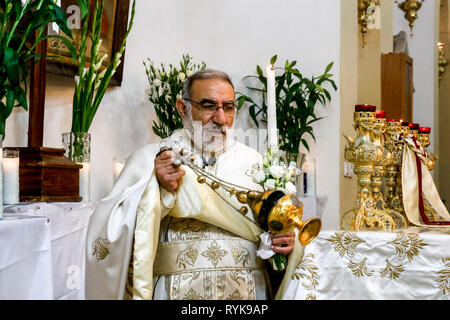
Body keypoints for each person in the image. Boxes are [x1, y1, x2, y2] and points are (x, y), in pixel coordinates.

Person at [85, 69, 303, 300]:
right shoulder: (149, 159)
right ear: (182, 107)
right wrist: (155, 188)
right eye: (209, 106)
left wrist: (286, 242)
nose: (221, 119)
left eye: (228, 107)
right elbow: (109, 229)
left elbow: (280, 233)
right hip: (171, 290)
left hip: (248, 292)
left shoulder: (256, 164)